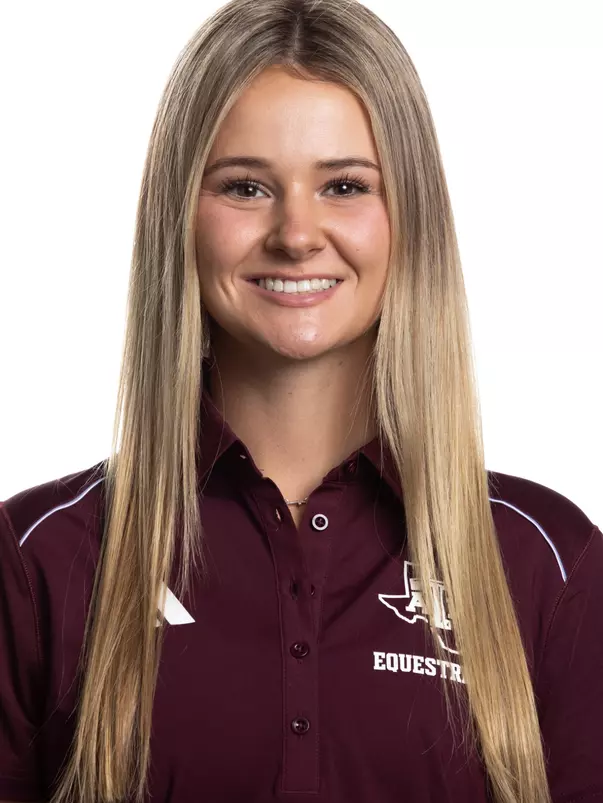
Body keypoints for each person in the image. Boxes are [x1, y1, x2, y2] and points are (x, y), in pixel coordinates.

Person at [1, 0, 601, 801]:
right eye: (245, 186)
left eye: (345, 185)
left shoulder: (548, 563)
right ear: (180, 218)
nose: (296, 232)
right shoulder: (40, 557)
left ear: (409, 219)